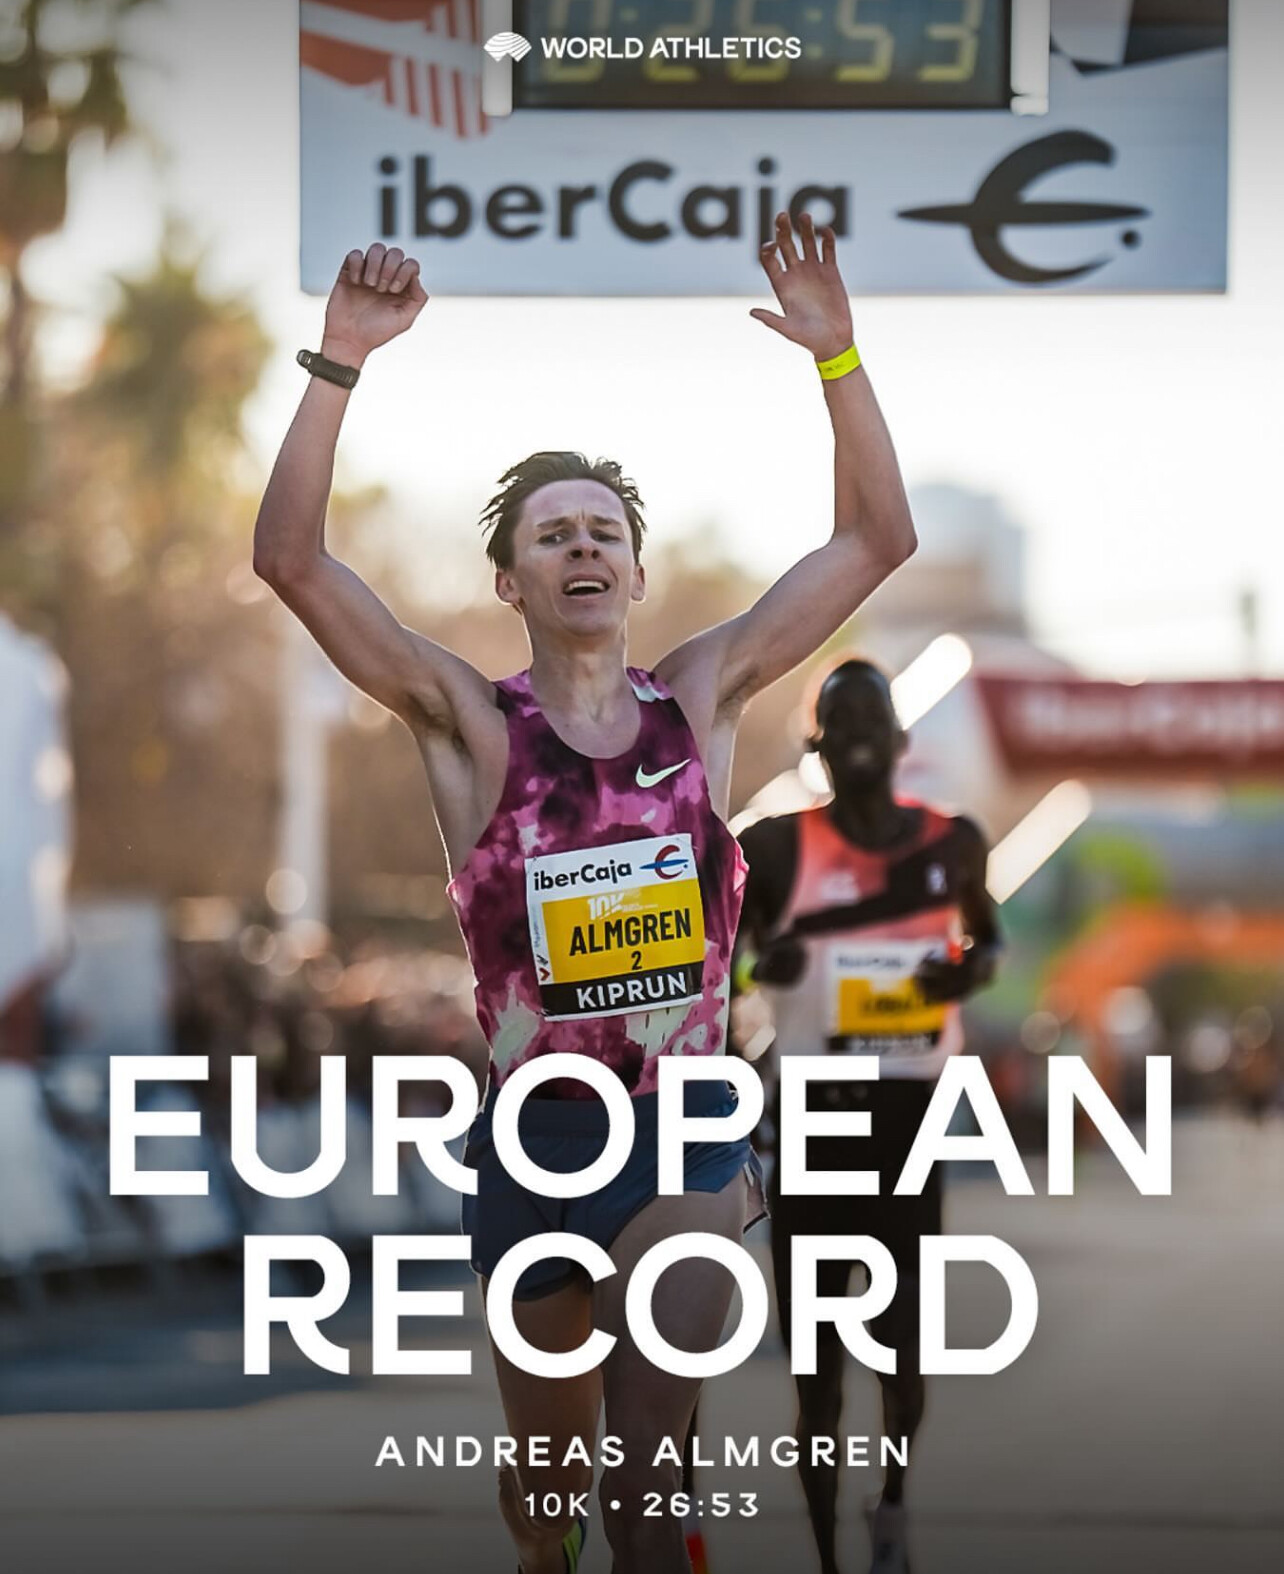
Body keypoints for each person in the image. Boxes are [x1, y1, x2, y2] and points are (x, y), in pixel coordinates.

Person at [253, 219, 917, 1574]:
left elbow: (877, 537)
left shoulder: (702, 697)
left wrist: (837, 355)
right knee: (549, 1486)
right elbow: (293, 563)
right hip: (537, 1140)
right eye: (552, 535)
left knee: (646, 1460)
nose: (583, 548)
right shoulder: (468, 726)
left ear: (636, 570)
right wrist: (340, 359)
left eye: (604, 531)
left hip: (685, 1129)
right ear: (512, 580)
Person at [737, 659, 1001, 1574]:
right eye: (837, 726)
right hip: (813, 1124)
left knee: (903, 1353)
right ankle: (826, 1556)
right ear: (814, 747)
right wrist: (755, 972)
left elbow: (987, 940)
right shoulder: (775, 849)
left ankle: (891, 1503)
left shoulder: (952, 843)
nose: (854, 742)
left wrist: (960, 972)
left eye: (869, 724)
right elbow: (722, 961)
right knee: (814, 1375)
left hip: (908, 1124)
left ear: (900, 741)